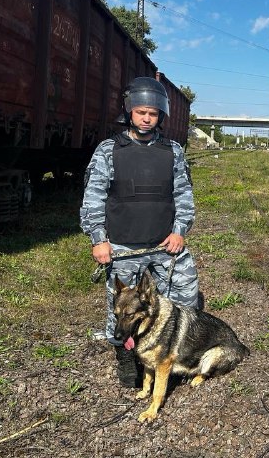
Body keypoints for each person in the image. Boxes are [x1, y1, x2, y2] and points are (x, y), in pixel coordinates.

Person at [80, 76, 199, 386]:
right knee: (121, 309)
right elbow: (93, 198)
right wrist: (99, 239)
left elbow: (184, 196)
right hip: (122, 246)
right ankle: (125, 357)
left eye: (154, 113)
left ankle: (176, 350)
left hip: (165, 245)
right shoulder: (108, 150)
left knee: (185, 296)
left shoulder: (173, 151)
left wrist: (179, 231)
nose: (147, 118)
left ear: (161, 116)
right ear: (129, 111)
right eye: (141, 111)